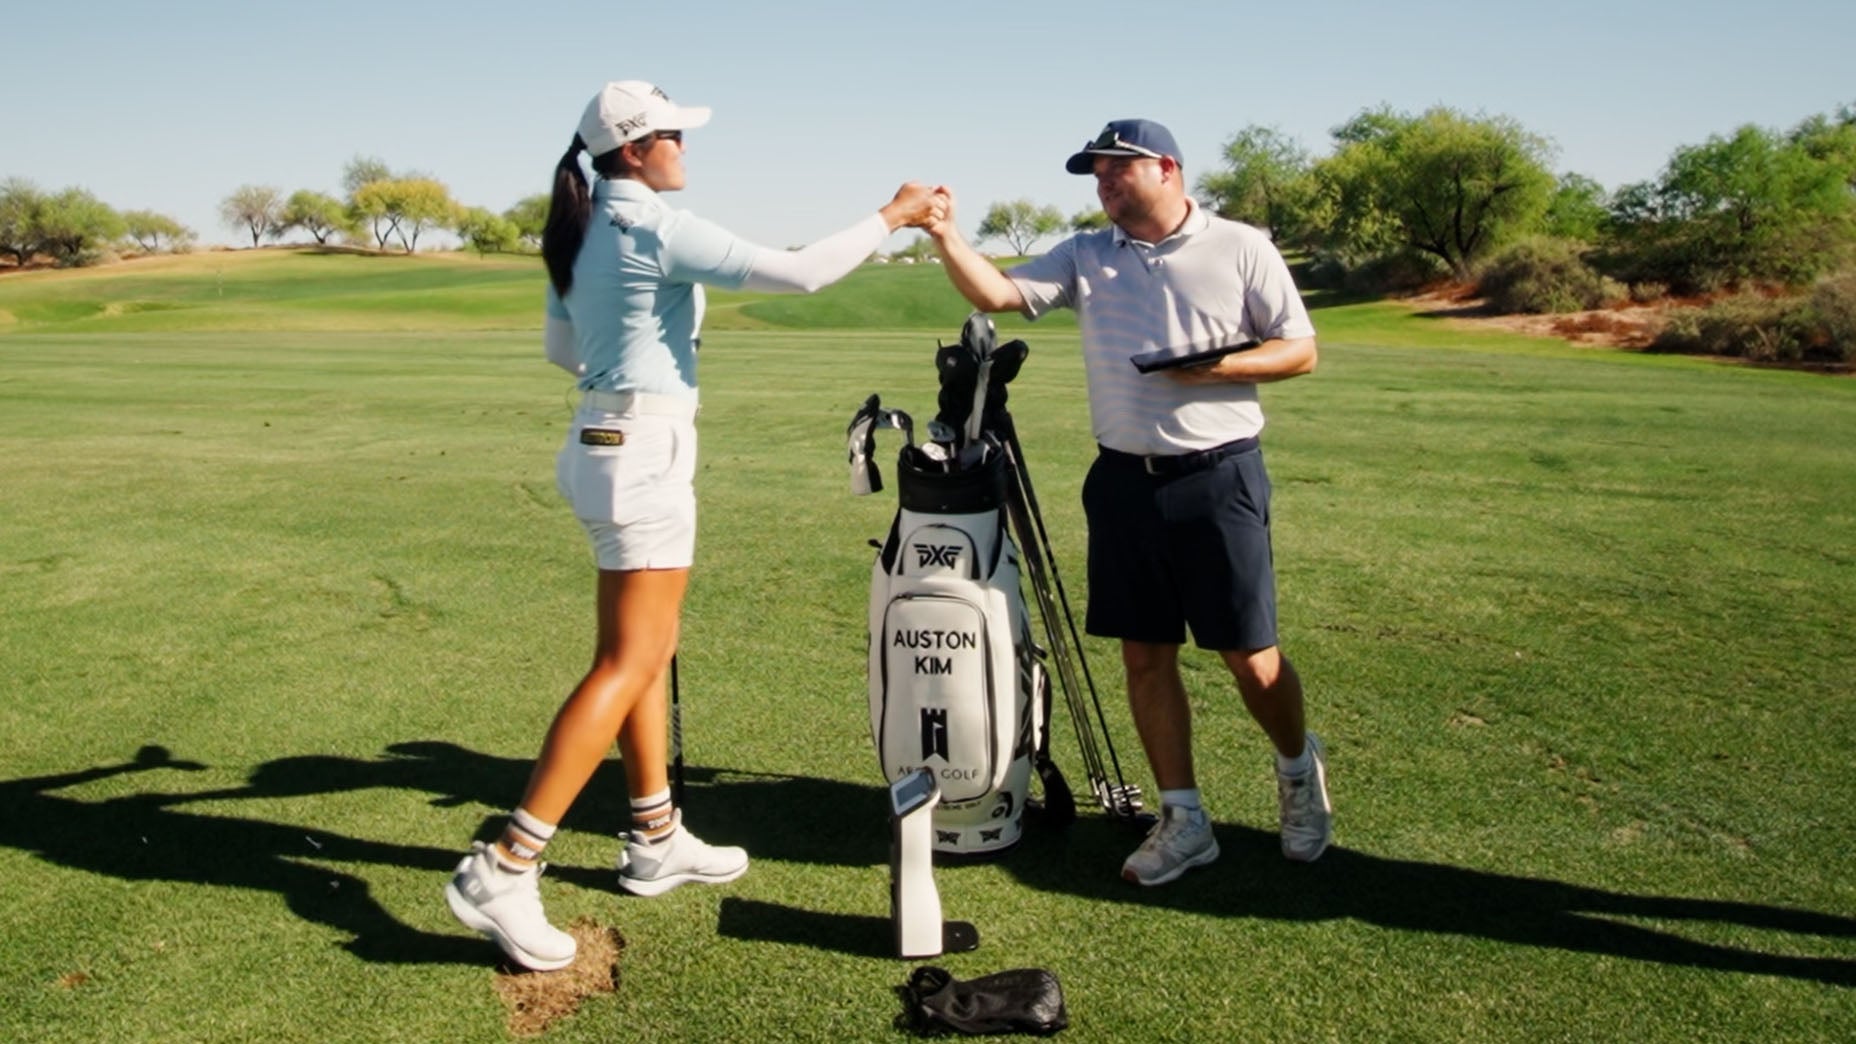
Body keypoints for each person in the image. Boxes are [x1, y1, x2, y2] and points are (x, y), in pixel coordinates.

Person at [444, 80, 944, 970]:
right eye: (675, 134)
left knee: (647, 646)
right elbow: (800, 272)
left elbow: (564, 349)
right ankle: (507, 865)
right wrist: (893, 215)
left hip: (598, 440)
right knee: (628, 659)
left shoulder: (584, 224)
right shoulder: (651, 225)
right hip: (643, 452)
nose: (686, 147)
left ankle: (654, 835)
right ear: (636, 149)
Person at [923, 118, 1332, 886]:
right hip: (1122, 480)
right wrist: (948, 234)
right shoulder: (1087, 253)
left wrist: (1212, 371)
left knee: (1250, 654)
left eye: (1119, 169)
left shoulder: (1240, 245)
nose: (1104, 183)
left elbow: (1299, 348)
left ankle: (1297, 774)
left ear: (1168, 168)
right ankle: (1184, 819)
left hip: (1219, 475)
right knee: (1145, 655)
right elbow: (1001, 293)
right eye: (1097, 173)